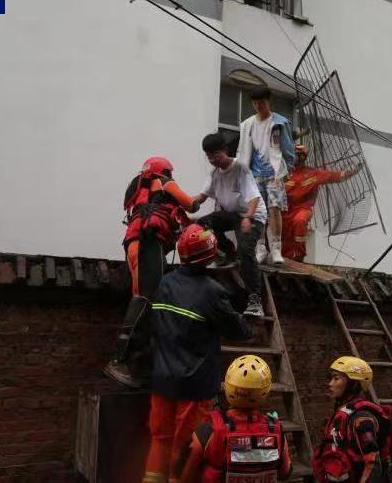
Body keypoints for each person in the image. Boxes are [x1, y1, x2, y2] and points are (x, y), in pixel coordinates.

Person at [143, 224, 254, 483]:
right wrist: (246, 320)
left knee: (159, 442)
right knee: (188, 447)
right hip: (193, 386)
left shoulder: (164, 282)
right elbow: (239, 331)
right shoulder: (212, 291)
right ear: (210, 254)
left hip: (161, 380)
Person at [105, 156, 199, 388]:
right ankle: (119, 360)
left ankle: (138, 365)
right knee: (147, 299)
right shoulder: (164, 182)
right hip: (149, 242)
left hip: (133, 245)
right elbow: (191, 204)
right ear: (164, 170)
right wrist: (206, 195)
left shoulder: (141, 189)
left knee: (142, 301)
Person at [176, 355, 293, 483]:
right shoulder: (276, 430)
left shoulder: (208, 431)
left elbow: (185, 477)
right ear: (265, 392)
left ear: (227, 386)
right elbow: (285, 473)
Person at [194, 133, 268, 318]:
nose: (212, 160)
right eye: (209, 156)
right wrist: (183, 203)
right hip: (232, 214)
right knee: (203, 223)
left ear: (225, 151)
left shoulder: (240, 169)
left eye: (215, 155)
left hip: (253, 214)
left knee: (246, 250)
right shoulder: (214, 173)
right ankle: (228, 252)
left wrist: (248, 218)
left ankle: (255, 300)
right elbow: (201, 197)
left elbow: (254, 197)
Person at [236, 87, 296, 265]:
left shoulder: (279, 122)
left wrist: (289, 168)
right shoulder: (247, 124)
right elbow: (242, 150)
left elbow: (288, 147)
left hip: (274, 173)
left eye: (261, 102)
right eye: (254, 103)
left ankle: (276, 249)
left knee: (274, 208)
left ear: (268, 101)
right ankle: (260, 248)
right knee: (258, 213)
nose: (257, 106)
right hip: (253, 175)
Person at [312, 356, 392, 483]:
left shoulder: (362, 419)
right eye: (331, 378)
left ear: (353, 383)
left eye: (336, 378)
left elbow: (373, 464)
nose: (330, 384)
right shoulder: (344, 412)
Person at [282, 142, 363, 262]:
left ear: (303, 157)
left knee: (299, 221)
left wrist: (353, 171)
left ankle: (299, 256)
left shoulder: (313, 174)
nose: (292, 157)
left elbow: (335, 176)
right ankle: (284, 256)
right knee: (282, 232)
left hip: (302, 209)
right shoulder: (284, 174)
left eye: (296, 155)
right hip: (285, 210)